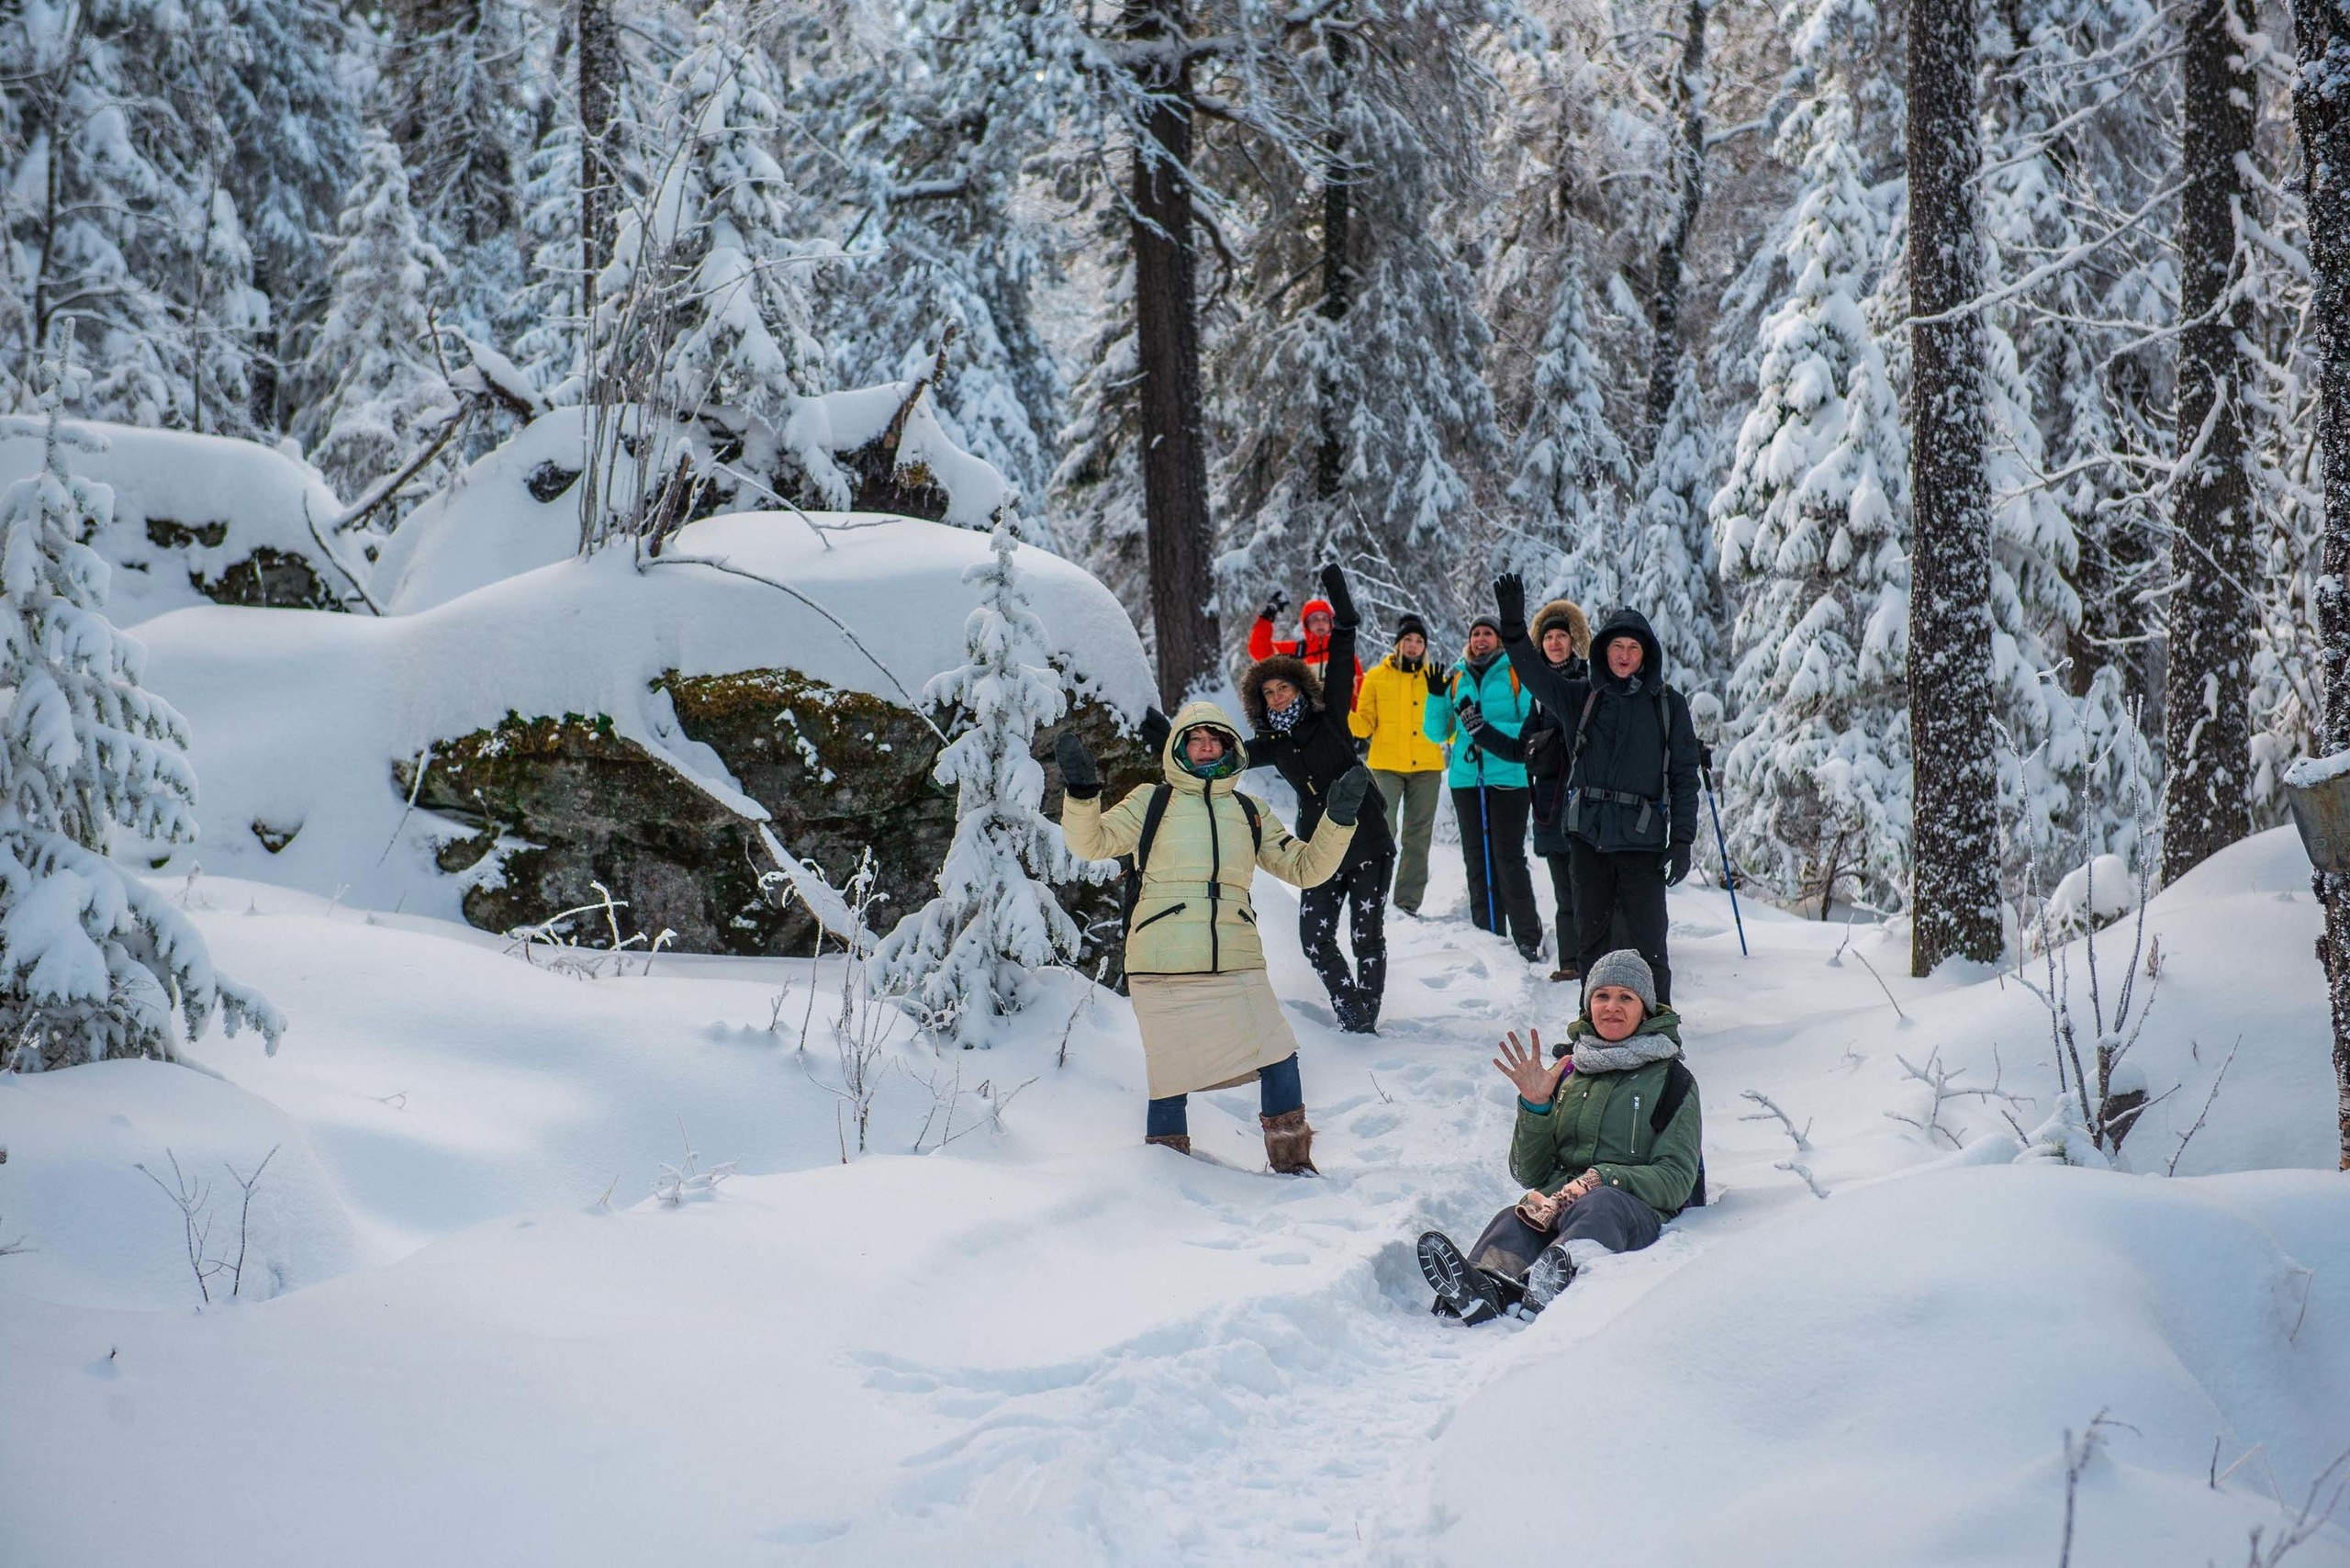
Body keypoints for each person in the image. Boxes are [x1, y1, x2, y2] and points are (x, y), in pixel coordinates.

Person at [1058, 703, 1367, 1171]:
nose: (1206, 748)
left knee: (1279, 1055)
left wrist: (1338, 821)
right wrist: (1082, 795)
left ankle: (1293, 1165)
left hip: (1237, 961)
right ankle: (1168, 1174)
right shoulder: (1151, 801)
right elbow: (1091, 842)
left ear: (1230, 747)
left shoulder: (1249, 810)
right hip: (1162, 964)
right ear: (1179, 747)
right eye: (1196, 739)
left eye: (1215, 739)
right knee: (1170, 1075)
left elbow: (1305, 868)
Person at [1416, 950, 1702, 1323]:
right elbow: (1530, 1172)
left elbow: (1677, 1179)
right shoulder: (1569, 1072)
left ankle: (1550, 1282)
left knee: (1600, 1205)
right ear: (1588, 1004)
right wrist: (1535, 1107)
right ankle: (1483, 1285)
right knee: (1515, 1217)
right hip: (1562, 1202)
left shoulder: (1672, 1080)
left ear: (1645, 1009)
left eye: (1625, 997)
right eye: (1602, 996)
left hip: (1632, 1211)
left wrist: (1605, 1178)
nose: (1611, 1006)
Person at [1494, 574, 1700, 1004]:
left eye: (1633, 648)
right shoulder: (1580, 696)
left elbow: (1684, 777)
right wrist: (1513, 629)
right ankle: (1590, 1034)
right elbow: (1533, 675)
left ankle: (1659, 1032)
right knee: (1591, 942)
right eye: (1617, 647)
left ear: (1646, 655)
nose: (1624, 656)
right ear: (1603, 650)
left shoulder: (1668, 704)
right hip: (1588, 839)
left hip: (1643, 843)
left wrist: (1682, 841)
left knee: (1649, 946)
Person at [1242, 565, 1393, 1033]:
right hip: (1317, 849)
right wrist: (1172, 738)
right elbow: (1222, 755)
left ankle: (1364, 1019)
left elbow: (1346, 637)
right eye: (1268, 693)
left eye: (1283, 686)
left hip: (1366, 836)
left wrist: (1338, 597)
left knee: (1366, 935)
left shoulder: (1331, 715)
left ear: (1299, 687)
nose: (1277, 696)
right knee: (1315, 938)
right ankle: (1349, 1004)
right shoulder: (1272, 744)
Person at [1460, 598, 1591, 981]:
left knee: (1594, 888)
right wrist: (1481, 731)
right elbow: (1521, 750)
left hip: (1592, 803)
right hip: (1552, 806)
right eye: (1548, 637)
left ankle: (1597, 961)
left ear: (1573, 640)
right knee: (1565, 889)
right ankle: (1570, 963)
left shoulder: (1591, 682)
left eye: (1561, 636)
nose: (1554, 643)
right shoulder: (1538, 695)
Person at [1423, 614, 1543, 961]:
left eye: (1487, 633)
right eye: (1475, 633)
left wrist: (1482, 728)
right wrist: (1434, 698)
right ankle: (1486, 932)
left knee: (1508, 857)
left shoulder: (1514, 672)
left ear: (1499, 640)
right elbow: (1438, 733)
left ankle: (1526, 936)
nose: (1480, 638)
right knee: (1476, 858)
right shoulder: (1457, 676)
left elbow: (1526, 726)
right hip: (1466, 778)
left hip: (1509, 777)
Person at [1349, 611, 1447, 916]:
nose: (1414, 645)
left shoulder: (1435, 676)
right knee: (1381, 829)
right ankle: (1372, 894)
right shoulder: (1377, 677)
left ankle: (1406, 903)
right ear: (1398, 644)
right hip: (1386, 766)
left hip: (1427, 768)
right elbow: (1364, 725)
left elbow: (1445, 723)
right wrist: (1341, 712)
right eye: (1408, 640)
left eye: (1419, 641)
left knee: (1417, 836)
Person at [1247, 587, 1363, 699]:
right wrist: (1267, 617)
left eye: (1324, 619)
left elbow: (1361, 694)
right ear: (1306, 624)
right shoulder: (1296, 652)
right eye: (1314, 619)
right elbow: (1258, 650)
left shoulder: (1344, 655)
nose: (1320, 623)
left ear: (1331, 624)